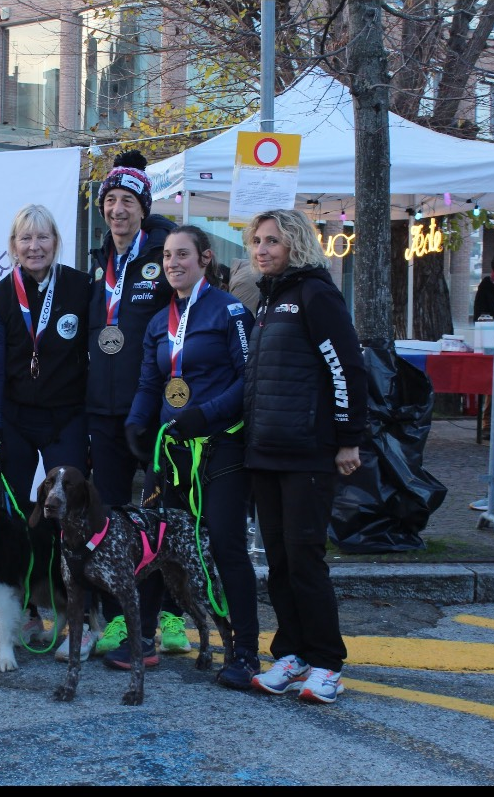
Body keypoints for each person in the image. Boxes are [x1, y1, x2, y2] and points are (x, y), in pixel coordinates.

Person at [124, 225, 260, 689]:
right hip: (172, 452)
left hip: (221, 447)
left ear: (205, 259)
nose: (173, 263)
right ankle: (142, 639)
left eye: (183, 255)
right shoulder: (159, 320)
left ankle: (244, 651)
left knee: (224, 544)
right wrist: (136, 424)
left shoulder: (232, 311)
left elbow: (249, 381)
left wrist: (207, 415)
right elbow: (149, 383)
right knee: (153, 542)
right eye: (166, 256)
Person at [243, 208, 368, 704]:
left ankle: (326, 663)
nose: (262, 249)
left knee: (305, 560)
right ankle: (291, 654)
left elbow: (347, 369)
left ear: (295, 243)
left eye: (272, 241)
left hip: (308, 454)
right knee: (278, 562)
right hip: (265, 454)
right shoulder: (267, 301)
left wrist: (348, 438)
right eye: (257, 241)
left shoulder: (317, 294)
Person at [83, 149, 183, 666]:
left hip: (154, 410)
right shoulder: (99, 259)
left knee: (159, 516)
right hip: (104, 411)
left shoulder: (164, 254)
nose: (118, 210)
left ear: (144, 209)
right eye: (111, 201)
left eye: (127, 201)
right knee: (115, 517)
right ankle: (123, 618)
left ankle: (161, 613)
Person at [0, 204, 91, 642]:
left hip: (66, 417)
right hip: (15, 420)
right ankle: (26, 609)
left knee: (69, 516)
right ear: (13, 246)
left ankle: (75, 610)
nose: (34, 246)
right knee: (14, 519)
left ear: (56, 241)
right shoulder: (0, 297)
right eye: (25, 238)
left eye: (42, 237)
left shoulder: (82, 288)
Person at [473, 257, 494, 439]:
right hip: (490, 339)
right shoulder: (485, 287)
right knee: (490, 383)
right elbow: (480, 315)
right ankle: (487, 423)